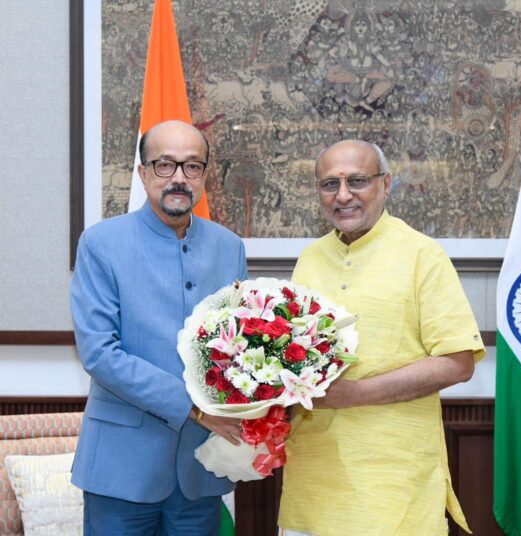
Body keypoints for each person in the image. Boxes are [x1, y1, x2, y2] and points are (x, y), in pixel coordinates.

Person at [278, 140, 486, 536]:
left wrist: (355, 394)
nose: (343, 195)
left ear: (386, 184)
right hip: (312, 480)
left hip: (394, 485)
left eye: (357, 181)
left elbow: (458, 363)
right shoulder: (310, 258)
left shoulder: (423, 255)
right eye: (330, 184)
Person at [71, 120, 247, 535]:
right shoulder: (101, 244)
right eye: (164, 164)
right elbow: (100, 354)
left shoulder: (229, 247)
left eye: (192, 166)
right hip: (121, 468)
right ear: (143, 172)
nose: (178, 178)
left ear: (204, 175)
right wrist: (194, 409)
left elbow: (238, 344)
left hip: (200, 471)